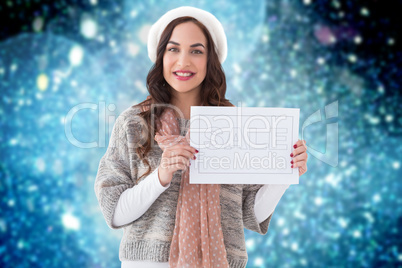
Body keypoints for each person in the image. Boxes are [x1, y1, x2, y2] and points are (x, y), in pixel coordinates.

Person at [94, 6, 308, 268]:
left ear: (211, 60)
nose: (183, 61)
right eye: (173, 49)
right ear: (161, 56)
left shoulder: (235, 125)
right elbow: (114, 212)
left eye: (196, 51)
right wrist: (162, 174)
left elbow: (249, 214)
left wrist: (285, 173)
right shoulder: (134, 122)